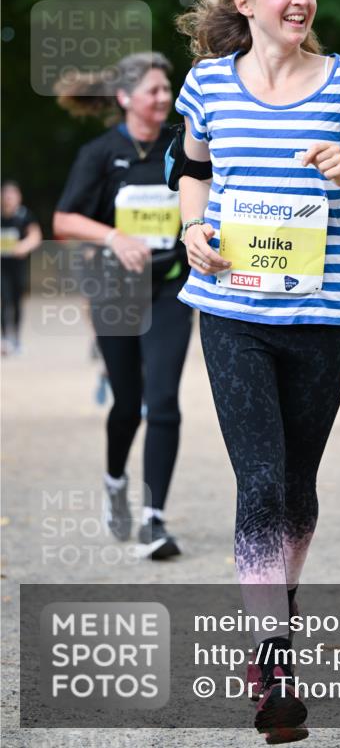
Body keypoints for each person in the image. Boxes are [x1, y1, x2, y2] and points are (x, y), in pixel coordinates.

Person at [174, 0, 340, 738]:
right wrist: (190, 232)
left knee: (298, 489)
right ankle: (272, 653)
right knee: (261, 481)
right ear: (246, 2)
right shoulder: (206, 85)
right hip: (233, 313)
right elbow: (193, 173)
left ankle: (277, 600)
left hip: (322, 317)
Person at [53, 52, 192, 560]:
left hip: (171, 290)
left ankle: (154, 519)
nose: (165, 97)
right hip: (116, 294)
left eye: (167, 88)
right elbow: (64, 221)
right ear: (126, 98)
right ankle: (115, 479)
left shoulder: (185, 148)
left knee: (164, 401)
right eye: (155, 90)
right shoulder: (100, 153)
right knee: (128, 404)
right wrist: (114, 236)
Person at [1, 180, 43, 354]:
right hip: (1, 266)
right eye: (6, 195)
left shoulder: (24, 215)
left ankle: (16, 337)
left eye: (13, 195)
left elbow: (35, 236)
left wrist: (23, 246)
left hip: (18, 266)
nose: (9, 198)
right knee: (4, 299)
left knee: (17, 302)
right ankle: (4, 339)